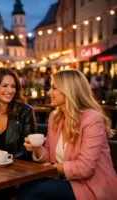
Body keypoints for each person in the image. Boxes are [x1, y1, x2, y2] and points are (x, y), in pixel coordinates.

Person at [20, 69, 117, 200]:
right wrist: (37, 149)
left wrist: (53, 167)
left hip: (91, 187)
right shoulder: (55, 116)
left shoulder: (92, 119)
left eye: (54, 88)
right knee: (26, 186)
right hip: (66, 181)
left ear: (69, 90)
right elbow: (50, 155)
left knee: (31, 190)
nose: (49, 92)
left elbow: (85, 168)